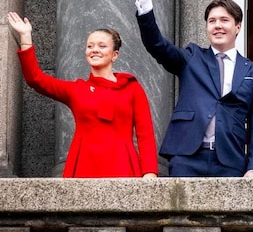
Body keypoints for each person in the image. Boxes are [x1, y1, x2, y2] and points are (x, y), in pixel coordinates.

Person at [135, 0, 253, 177]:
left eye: (224, 20)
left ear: (237, 27)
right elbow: (156, 44)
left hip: (230, 161)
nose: (217, 25)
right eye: (212, 21)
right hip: (187, 157)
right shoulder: (191, 58)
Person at [7, 12, 158, 178]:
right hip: (84, 165)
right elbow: (36, 79)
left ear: (115, 55)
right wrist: (25, 37)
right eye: (90, 46)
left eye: (102, 46)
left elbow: (145, 134)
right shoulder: (77, 90)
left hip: (122, 164)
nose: (94, 50)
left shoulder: (132, 88)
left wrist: (149, 171)